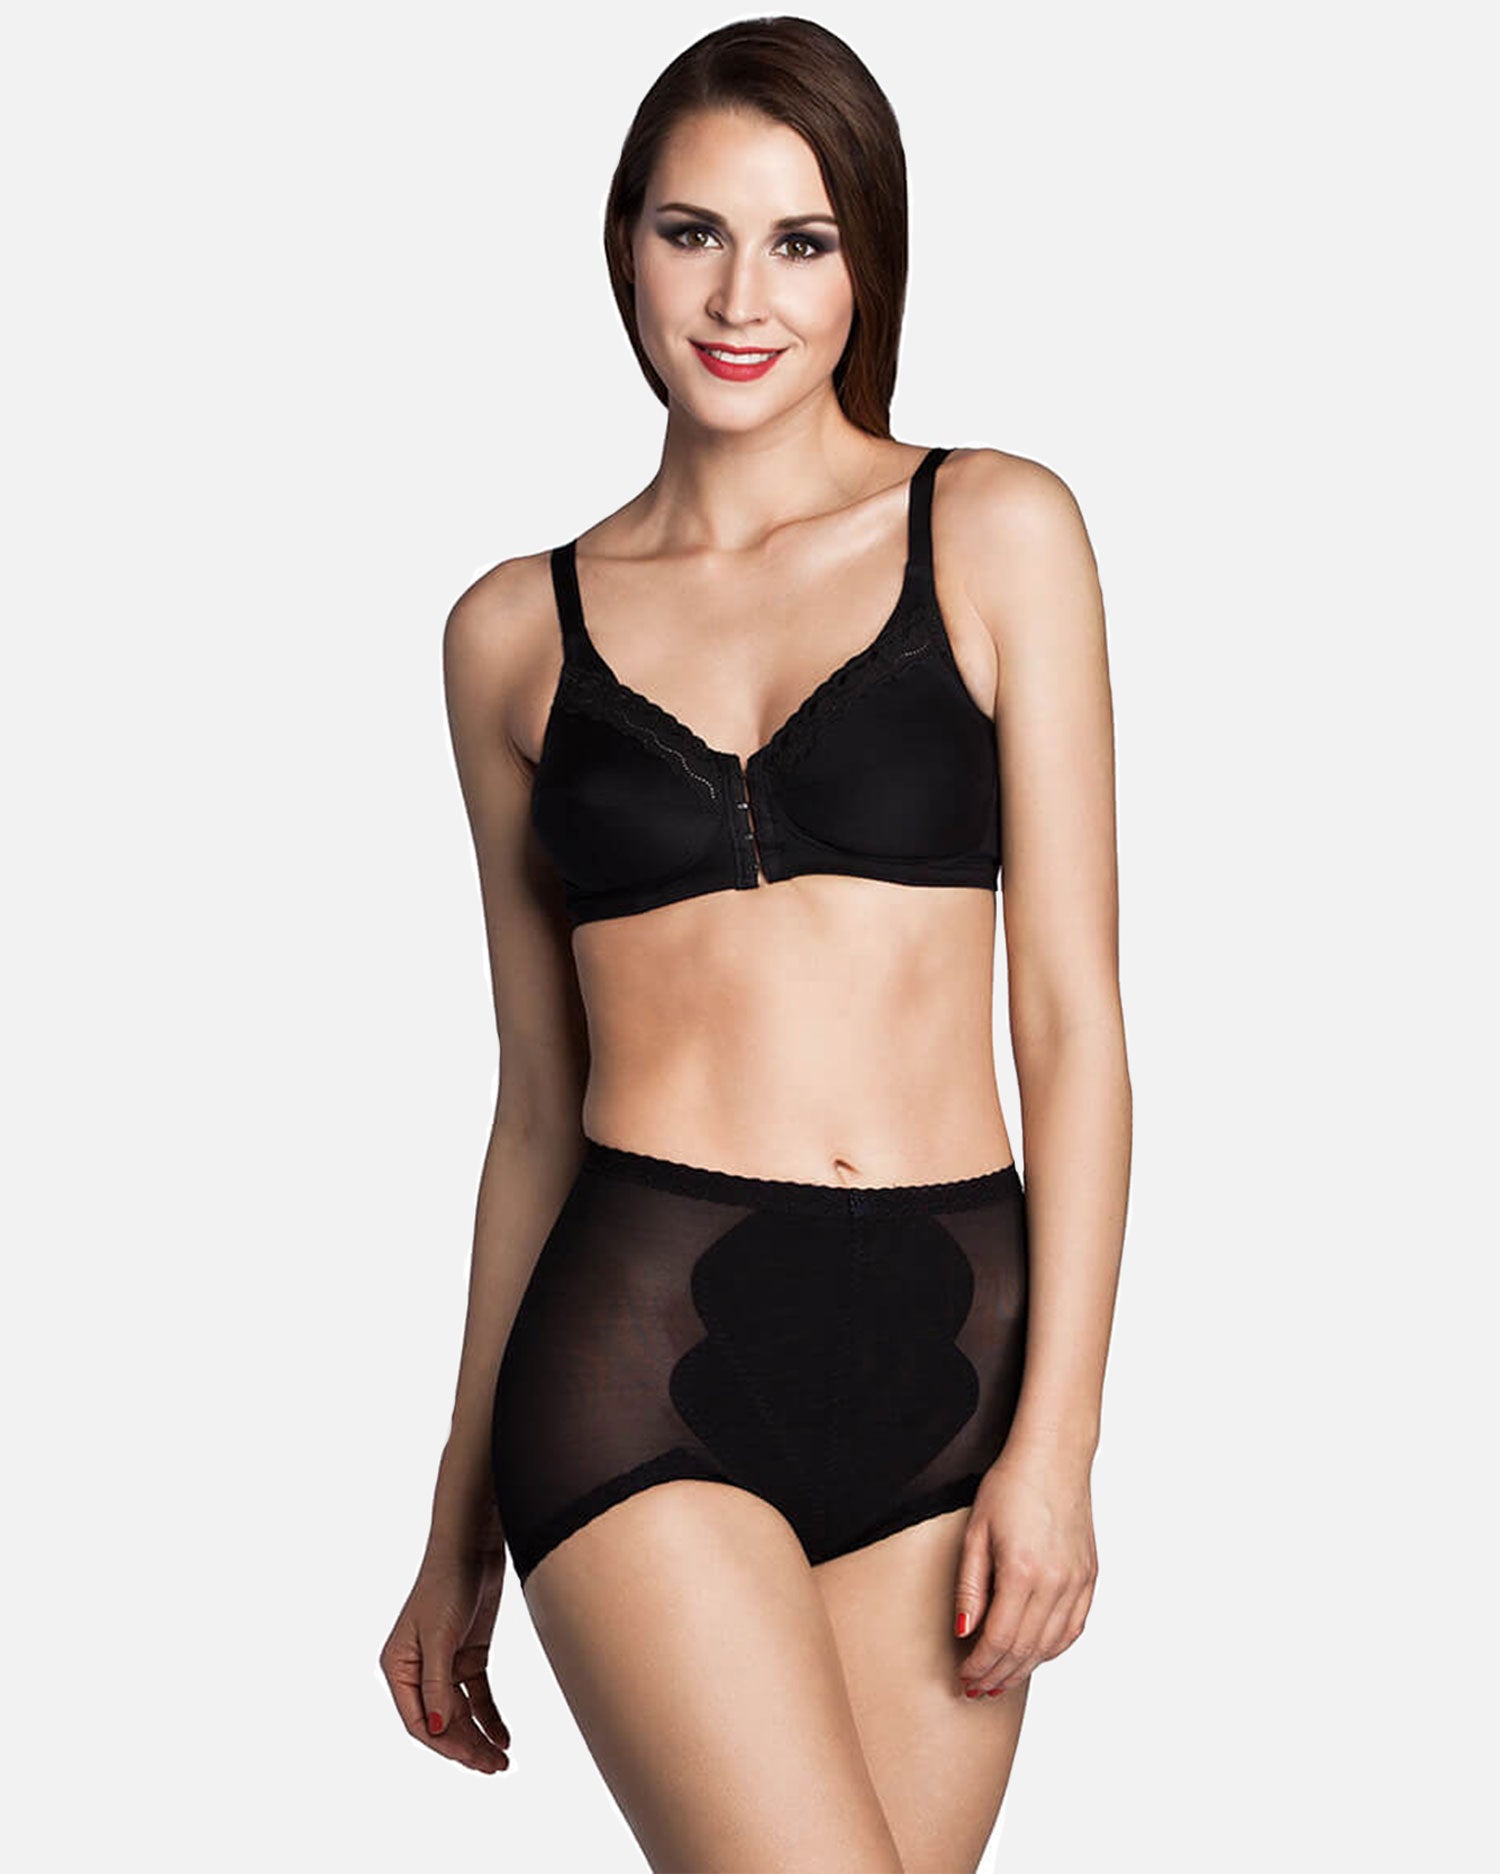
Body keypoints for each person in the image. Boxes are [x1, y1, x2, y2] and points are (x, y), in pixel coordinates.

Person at [379, 17, 1131, 1872]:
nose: (740, 296)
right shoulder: (511, 635)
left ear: (868, 262)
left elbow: (1073, 1023)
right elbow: (534, 1103)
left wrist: (1059, 1445)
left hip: (953, 1363)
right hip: (637, 1353)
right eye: (691, 232)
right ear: (623, 245)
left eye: (801, 241)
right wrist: (457, 1512)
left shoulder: (997, 529)